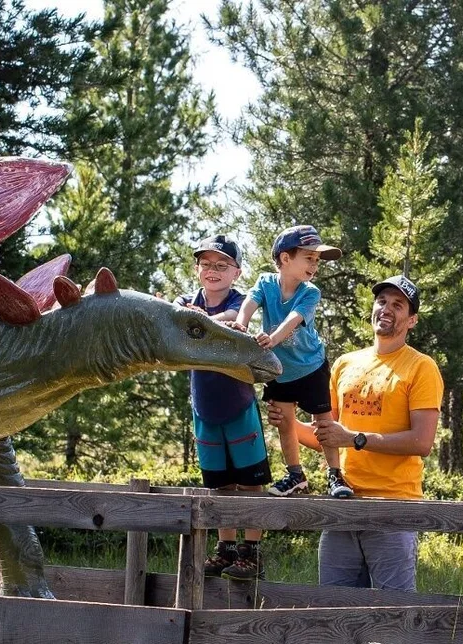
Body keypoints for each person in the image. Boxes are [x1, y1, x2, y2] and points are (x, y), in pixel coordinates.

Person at [290, 275, 442, 592]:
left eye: (398, 305)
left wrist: (355, 439)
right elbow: (327, 438)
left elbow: (422, 442)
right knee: (334, 611)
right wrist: (286, 423)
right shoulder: (345, 364)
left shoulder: (421, 367)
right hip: (342, 506)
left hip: (394, 508)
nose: (387, 308)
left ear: (411, 320)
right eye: (382, 301)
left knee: (393, 615)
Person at [174, 235, 271, 581]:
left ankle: (252, 551)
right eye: (206, 264)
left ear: (236, 271)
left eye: (221, 265)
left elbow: (232, 317)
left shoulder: (240, 302)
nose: (212, 271)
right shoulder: (186, 302)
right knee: (219, 485)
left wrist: (204, 318)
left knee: (250, 482)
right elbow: (172, 318)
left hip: (239, 405)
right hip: (204, 408)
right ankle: (226, 548)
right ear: (196, 269)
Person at [234, 225, 353, 498]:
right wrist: (241, 325)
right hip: (279, 369)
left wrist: (272, 340)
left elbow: (293, 320)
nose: (315, 265)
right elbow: (250, 303)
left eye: (317, 260)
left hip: (311, 366)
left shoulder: (310, 292)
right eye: (309, 257)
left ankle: (335, 475)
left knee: (323, 422)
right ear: (285, 259)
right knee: (284, 422)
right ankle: (295, 475)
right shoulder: (265, 283)